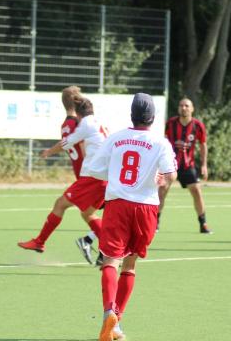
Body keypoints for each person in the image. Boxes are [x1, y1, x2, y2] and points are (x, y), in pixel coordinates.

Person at [88, 93, 177, 341]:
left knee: (110, 262)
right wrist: (161, 182)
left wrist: (115, 172)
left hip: (117, 204)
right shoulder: (161, 143)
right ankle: (117, 323)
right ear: (153, 118)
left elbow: (96, 170)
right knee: (130, 264)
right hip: (146, 208)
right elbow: (170, 176)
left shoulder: (116, 138)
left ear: (132, 115)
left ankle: (108, 314)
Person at [17, 97, 108, 255]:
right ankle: (111, 249)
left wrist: (48, 152)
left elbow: (66, 143)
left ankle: (39, 242)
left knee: (60, 204)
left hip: (92, 178)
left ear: (78, 115)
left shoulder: (85, 124)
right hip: (104, 178)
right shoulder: (99, 123)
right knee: (88, 214)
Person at [157, 97, 212, 233]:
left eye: (187, 106)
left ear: (192, 108)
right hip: (170, 165)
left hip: (188, 166)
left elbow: (203, 144)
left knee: (197, 191)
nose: (184, 108)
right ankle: (155, 222)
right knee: (162, 191)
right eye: (181, 105)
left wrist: (204, 165)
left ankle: (203, 223)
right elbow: (162, 142)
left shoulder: (198, 125)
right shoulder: (170, 124)